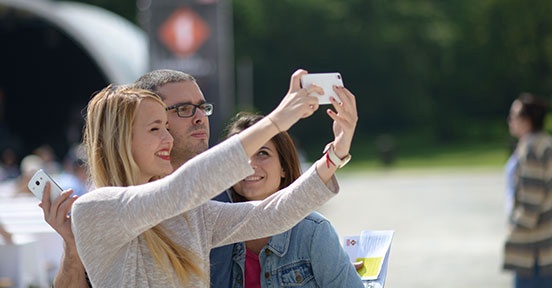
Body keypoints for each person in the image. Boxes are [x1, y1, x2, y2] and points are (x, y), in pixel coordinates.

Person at [60, 68, 356, 287]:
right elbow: (180, 189)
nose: (167, 138)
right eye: (155, 129)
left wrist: (336, 154)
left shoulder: (189, 213)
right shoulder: (95, 208)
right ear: (120, 139)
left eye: (166, 125)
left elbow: (272, 215)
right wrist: (277, 120)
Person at [213, 112, 363, 287]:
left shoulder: (314, 232)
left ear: (283, 166)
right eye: (240, 155)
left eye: (262, 153)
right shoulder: (216, 232)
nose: (250, 164)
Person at [503, 93, 552, 288]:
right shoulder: (544, 142)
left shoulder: (532, 149)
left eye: (513, 116)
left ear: (527, 120)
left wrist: (512, 231)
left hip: (532, 251)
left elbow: (530, 204)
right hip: (544, 246)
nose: (510, 121)